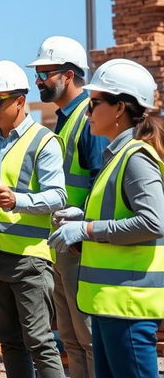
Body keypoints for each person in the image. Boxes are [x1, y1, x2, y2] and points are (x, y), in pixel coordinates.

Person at [48, 58, 164, 378]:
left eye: (94, 103)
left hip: (128, 305)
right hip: (106, 303)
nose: (87, 112)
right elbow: (118, 212)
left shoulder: (137, 157)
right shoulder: (116, 155)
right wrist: (82, 215)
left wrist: (86, 228)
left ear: (119, 108)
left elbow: (153, 222)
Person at [0, 60, 66, 378]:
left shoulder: (43, 142)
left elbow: (58, 197)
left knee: (40, 342)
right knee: (9, 342)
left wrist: (17, 200)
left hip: (28, 260)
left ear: (20, 101)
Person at [28, 36, 107, 378]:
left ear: (69, 75)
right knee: (71, 339)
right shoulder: (63, 119)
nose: (38, 81)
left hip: (80, 244)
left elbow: (101, 182)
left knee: (87, 337)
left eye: (45, 73)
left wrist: (83, 223)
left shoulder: (91, 118)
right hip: (62, 241)